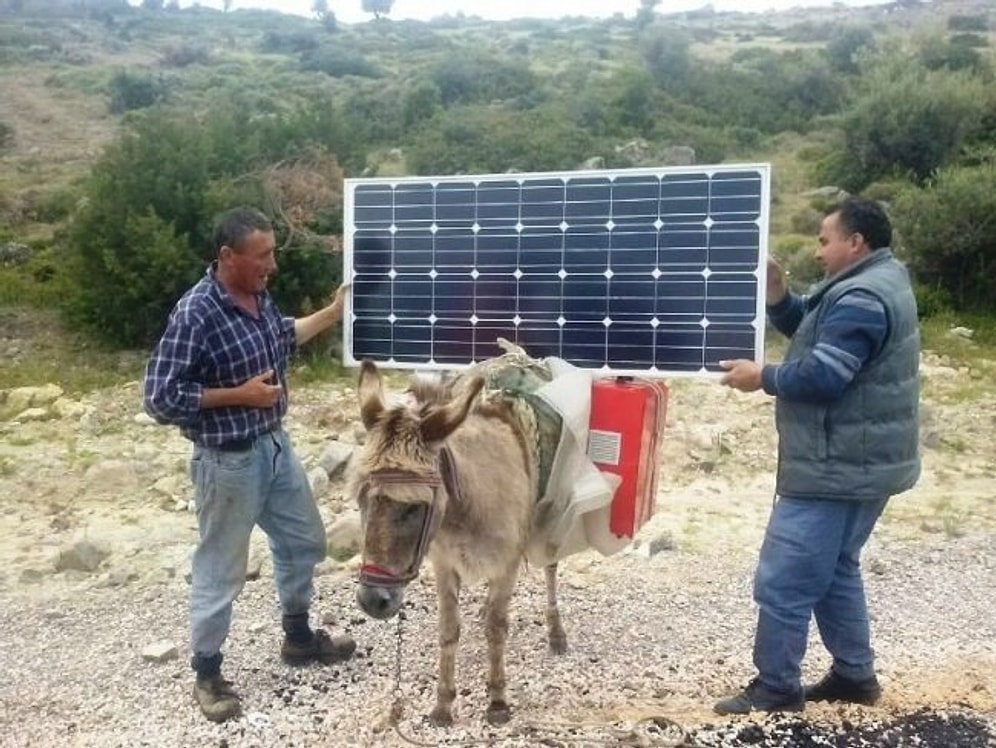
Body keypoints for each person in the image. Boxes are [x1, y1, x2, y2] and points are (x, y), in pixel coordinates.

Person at [143, 207, 355, 723]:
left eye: (274, 253)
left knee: (305, 540)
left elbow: (281, 336)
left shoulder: (256, 296)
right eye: (263, 256)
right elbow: (158, 397)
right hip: (227, 463)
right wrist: (237, 395)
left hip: (274, 449)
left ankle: (299, 638)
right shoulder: (195, 313)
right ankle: (208, 672)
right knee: (222, 568)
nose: (273, 265)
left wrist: (331, 313)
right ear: (227, 256)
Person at [713, 197, 920, 715]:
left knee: (783, 579)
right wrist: (780, 296)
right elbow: (817, 330)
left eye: (825, 240)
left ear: (856, 243)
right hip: (864, 462)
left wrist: (762, 377)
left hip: (835, 466)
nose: (818, 249)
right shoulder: (874, 282)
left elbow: (824, 376)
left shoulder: (862, 297)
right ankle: (855, 676)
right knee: (835, 569)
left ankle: (777, 687)